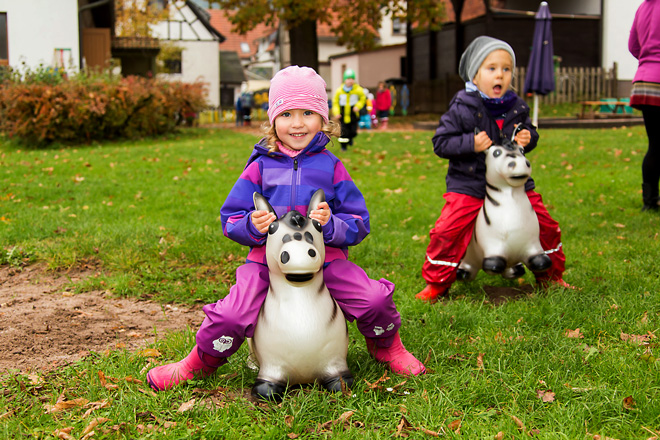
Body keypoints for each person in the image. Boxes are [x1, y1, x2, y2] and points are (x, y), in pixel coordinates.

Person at [147, 66, 425, 392]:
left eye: (308, 112)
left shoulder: (332, 167)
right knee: (231, 316)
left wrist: (332, 224)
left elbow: (359, 221)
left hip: (326, 259)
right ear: (272, 119)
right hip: (265, 261)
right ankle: (200, 362)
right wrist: (251, 225)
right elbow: (231, 216)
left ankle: (386, 346)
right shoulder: (260, 166)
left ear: (323, 119)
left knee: (374, 299)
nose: (297, 123)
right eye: (287, 113)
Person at [416, 36, 572, 303]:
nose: (500, 74)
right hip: (469, 182)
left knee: (545, 224)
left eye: (506, 68)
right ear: (475, 76)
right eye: (491, 68)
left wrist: (527, 137)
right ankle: (437, 282)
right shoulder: (462, 106)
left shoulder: (517, 106)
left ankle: (551, 276)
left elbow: (529, 133)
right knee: (448, 229)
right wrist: (470, 143)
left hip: (515, 185)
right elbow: (440, 143)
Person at [629, 0, 660, 212]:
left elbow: (633, 46)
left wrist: (649, 61)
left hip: (644, 81)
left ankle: (649, 202)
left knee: (655, 144)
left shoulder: (642, 7)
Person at [332, 69, 366, 151]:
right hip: (343, 113)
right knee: (344, 131)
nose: (350, 81)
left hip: (353, 113)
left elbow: (363, 98)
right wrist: (336, 112)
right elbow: (335, 102)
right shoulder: (339, 91)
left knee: (353, 131)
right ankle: (343, 146)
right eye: (348, 79)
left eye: (352, 79)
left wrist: (358, 106)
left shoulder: (358, 90)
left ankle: (350, 138)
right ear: (345, 80)